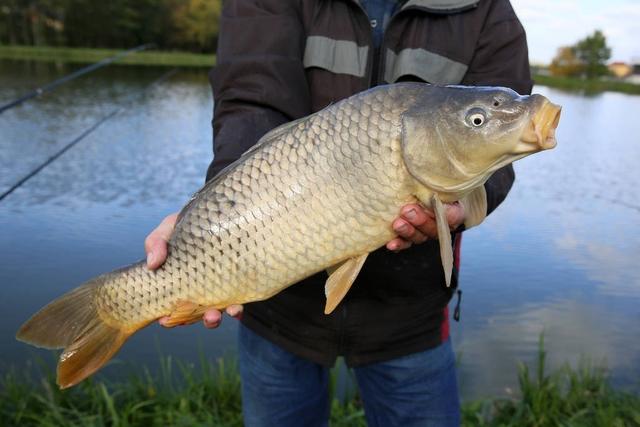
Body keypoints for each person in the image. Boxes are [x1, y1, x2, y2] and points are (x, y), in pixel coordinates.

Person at [145, 0, 531, 425]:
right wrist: (211, 218)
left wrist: (461, 208)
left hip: (411, 313)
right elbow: (251, 102)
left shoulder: (484, 8)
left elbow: (497, 151)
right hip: (276, 304)